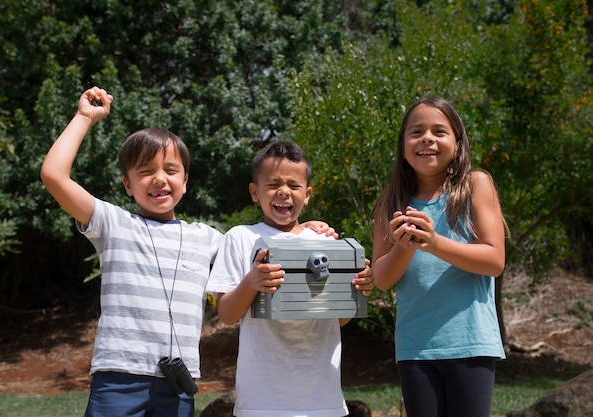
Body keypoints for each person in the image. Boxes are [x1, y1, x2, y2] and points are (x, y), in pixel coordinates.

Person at [41, 87, 335, 417]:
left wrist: (304, 229)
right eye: (145, 171)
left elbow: (260, 242)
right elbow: (53, 175)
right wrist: (84, 117)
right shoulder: (113, 223)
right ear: (127, 184)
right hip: (119, 376)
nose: (158, 179)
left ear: (185, 181)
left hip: (178, 384)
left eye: (170, 170)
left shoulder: (207, 238)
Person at [206, 141, 374, 417]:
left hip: (323, 398)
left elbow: (339, 320)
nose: (284, 191)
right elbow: (226, 314)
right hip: (261, 399)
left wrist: (358, 291)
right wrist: (252, 282)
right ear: (254, 192)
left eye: (294, 186)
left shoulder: (324, 242)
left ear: (307, 194)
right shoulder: (240, 237)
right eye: (273, 184)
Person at [371, 96, 508, 417]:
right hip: (415, 348)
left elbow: (494, 260)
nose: (427, 138)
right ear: (403, 145)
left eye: (439, 131)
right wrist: (405, 246)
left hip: (471, 344)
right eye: (416, 132)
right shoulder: (389, 201)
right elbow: (382, 279)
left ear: (458, 143)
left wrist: (433, 243)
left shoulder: (476, 184)